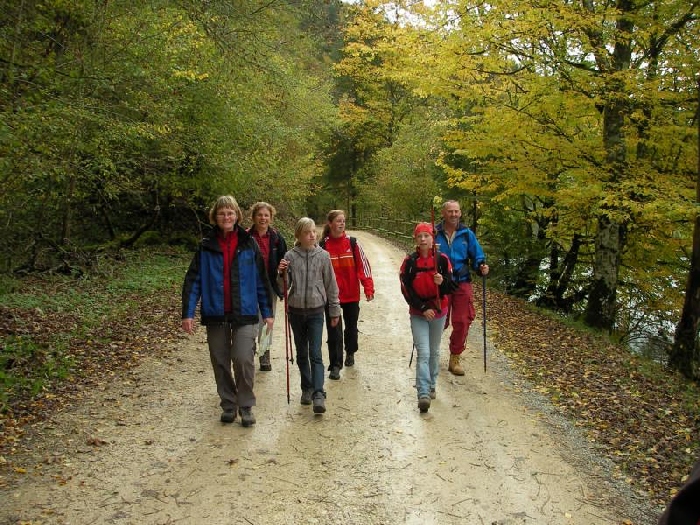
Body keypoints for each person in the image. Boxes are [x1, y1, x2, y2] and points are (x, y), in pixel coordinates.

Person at [181, 195, 274, 427]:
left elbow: (261, 280)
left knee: (243, 358)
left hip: (245, 312)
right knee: (220, 360)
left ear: (237, 216)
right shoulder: (206, 245)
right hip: (216, 312)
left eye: (230, 212)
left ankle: (246, 405)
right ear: (215, 216)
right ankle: (229, 404)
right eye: (222, 213)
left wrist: (267, 312)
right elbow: (193, 281)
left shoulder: (248, 243)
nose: (226, 217)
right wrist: (188, 313)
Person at [278, 217, 340, 414]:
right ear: (299, 235)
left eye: (313, 231)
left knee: (315, 353)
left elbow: (331, 285)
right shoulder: (290, 256)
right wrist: (281, 274)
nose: (312, 235)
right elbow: (283, 287)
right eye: (307, 232)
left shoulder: (323, 256)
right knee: (301, 352)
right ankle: (307, 388)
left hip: (316, 311)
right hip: (296, 311)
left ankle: (319, 393)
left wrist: (334, 310)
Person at [400, 222, 456, 413]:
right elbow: (406, 289)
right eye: (419, 236)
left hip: (439, 311)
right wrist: (423, 308)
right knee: (423, 352)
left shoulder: (442, 260)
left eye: (426, 236)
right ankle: (423, 393)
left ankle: (432, 384)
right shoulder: (410, 262)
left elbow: (451, 286)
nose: (423, 239)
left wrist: (443, 282)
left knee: (434, 350)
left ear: (433, 239)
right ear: (415, 239)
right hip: (418, 312)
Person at [435, 200, 490, 376]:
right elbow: (424, 252)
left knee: (462, 321)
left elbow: (477, 255)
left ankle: (455, 358)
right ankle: (431, 354)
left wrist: (481, 266)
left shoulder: (467, 234)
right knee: (438, 320)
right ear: (443, 213)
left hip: (462, 281)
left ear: (460, 213)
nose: (453, 214)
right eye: (450, 211)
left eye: (456, 211)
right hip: (441, 283)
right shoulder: (434, 232)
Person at [320, 210, 374, 380]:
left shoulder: (353, 243)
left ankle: (350, 351)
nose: (342, 224)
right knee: (334, 331)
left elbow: (363, 266)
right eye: (338, 221)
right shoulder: (322, 245)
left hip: (351, 294)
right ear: (330, 224)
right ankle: (335, 365)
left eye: (343, 221)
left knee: (351, 327)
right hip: (331, 296)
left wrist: (368, 287)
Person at [247, 202, 288, 372]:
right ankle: (249, 351)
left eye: (266, 215)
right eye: (260, 215)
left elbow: (285, 261)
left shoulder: (277, 238)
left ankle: (264, 353)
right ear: (253, 217)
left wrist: (281, 270)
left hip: (269, 285)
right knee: (250, 319)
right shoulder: (245, 236)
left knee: (267, 320)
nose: (263, 218)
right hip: (248, 285)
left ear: (271, 218)